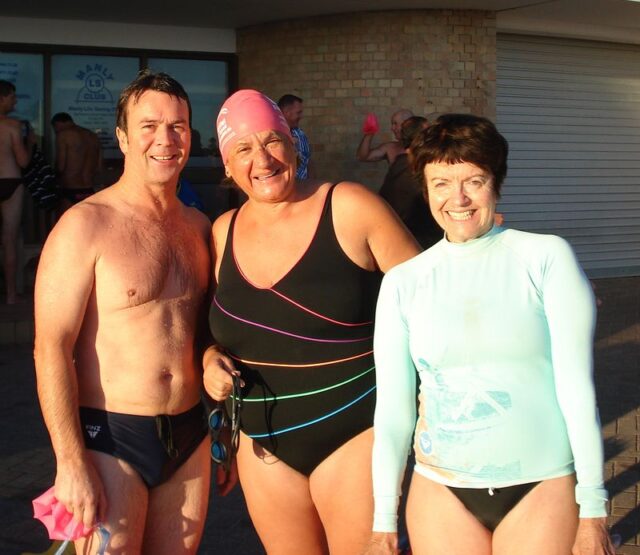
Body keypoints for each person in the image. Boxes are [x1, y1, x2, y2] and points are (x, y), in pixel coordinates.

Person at [365, 113, 615, 555]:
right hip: (440, 490)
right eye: (441, 183)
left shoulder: (546, 258)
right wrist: (383, 523)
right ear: (426, 189)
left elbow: (577, 389)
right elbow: (393, 412)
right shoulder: (403, 282)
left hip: (540, 484)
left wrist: (593, 510)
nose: (458, 198)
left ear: (496, 183)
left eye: (474, 181)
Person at [204, 89, 420, 554]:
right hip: (263, 443)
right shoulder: (222, 231)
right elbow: (221, 328)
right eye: (243, 148)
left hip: (354, 428)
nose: (262, 160)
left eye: (273, 141)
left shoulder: (348, 206)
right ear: (227, 164)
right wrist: (208, 360)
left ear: (293, 145)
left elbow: (431, 300)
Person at [34, 71, 215, 554]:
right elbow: (51, 348)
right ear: (122, 137)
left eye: (178, 126)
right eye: (149, 126)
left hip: (190, 435)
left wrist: (221, 427)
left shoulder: (199, 227)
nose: (166, 139)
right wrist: (69, 462)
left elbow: (202, 335)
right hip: (112, 436)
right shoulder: (85, 225)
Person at [379, 115, 441, 249]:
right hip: (419, 241)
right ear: (420, 139)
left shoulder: (401, 163)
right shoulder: (414, 166)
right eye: (429, 133)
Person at [0, 80, 34, 304]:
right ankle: (11, 295)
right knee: (9, 238)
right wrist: (29, 143)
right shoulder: (13, 126)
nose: (15, 101)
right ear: (1, 98)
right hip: (10, 180)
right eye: (12, 97)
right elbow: (23, 161)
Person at [50, 112, 102, 213]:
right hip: (89, 189)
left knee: (65, 222)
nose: (55, 131)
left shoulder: (63, 135)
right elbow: (99, 167)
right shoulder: (93, 136)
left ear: (58, 123)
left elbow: (61, 166)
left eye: (55, 128)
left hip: (70, 188)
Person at [277, 93, 311, 179]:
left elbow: (308, 162)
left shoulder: (300, 134)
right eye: (298, 112)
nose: (301, 116)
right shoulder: (273, 137)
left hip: (305, 186)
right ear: (287, 112)